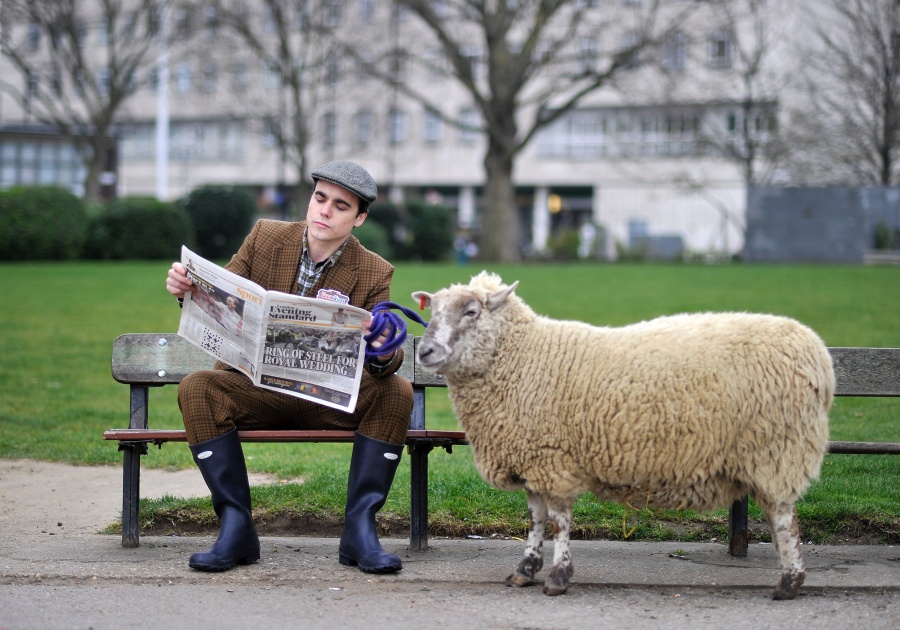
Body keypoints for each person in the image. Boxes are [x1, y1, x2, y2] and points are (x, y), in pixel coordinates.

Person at [165, 160, 413, 575]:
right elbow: (223, 296)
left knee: (396, 392)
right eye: (319, 198)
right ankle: (236, 526)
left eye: (340, 205)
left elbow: (384, 355)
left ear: (360, 218)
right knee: (197, 388)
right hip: (255, 388)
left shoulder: (373, 269)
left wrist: (385, 349)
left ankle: (360, 530)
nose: (324, 211)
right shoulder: (265, 238)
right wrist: (188, 290)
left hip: (325, 398)